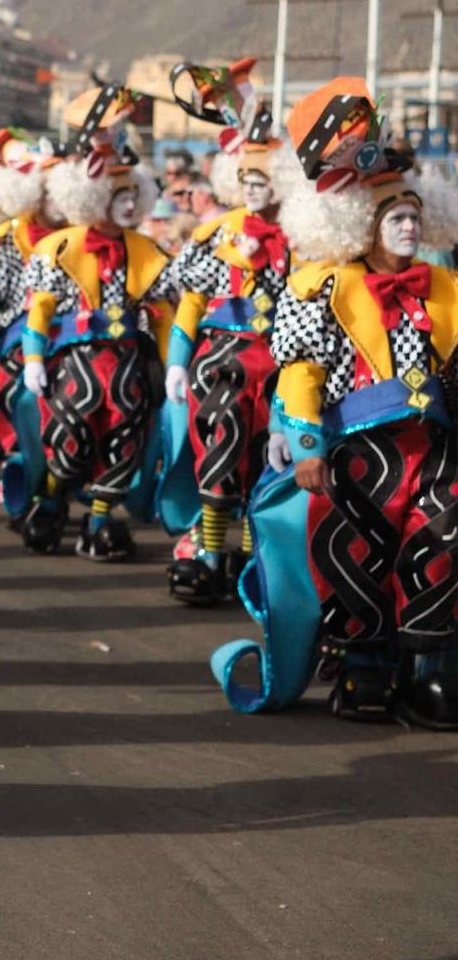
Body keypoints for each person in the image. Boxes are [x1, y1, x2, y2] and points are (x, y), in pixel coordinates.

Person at [214, 78, 458, 724]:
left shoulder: (445, 285)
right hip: (357, 451)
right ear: (361, 225)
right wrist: (304, 444)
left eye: (413, 215)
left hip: (431, 450)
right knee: (355, 549)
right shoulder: (322, 285)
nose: (407, 227)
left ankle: (428, 668)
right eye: (394, 217)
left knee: (441, 539)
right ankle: (360, 665)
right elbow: (301, 370)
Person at [18, 84, 175, 560]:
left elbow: (163, 315)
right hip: (76, 359)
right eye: (116, 193)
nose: (127, 203)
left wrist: (173, 366)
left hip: (127, 363)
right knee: (69, 432)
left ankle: (102, 520)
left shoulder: (149, 252)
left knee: (124, 437)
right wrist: (32, 357)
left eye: (132, 193)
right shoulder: (58, 248)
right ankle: (49, 500)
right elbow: (41, 308)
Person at [158, 59, 294, 604]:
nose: (254, 189)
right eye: (247, 179)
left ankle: (267, 555)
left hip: (284, 362)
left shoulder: (300, 236)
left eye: (264, 179)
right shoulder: (215, 232)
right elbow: (191, 300)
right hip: (223, 356)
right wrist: (175, 356)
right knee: (219, 436)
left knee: (275, 461)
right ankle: (210, 549)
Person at [0, 129, 64, 527]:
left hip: (70, 339)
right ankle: (21, 474)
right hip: (15, 345)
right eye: (46, 190)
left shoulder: (77, 239)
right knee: (14, 401)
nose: (54, 200)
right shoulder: (1, 242)